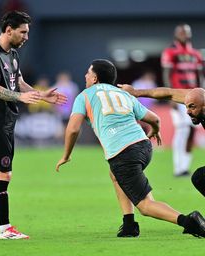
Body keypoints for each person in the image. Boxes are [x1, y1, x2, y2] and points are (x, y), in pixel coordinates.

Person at [56, 59, 205, 238]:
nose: (85, 75)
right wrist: (154, 129)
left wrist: (66, 154)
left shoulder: (84, 95)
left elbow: (73, 128)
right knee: (116, 174)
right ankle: (129, 224)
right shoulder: (123, 94)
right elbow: (157, 115)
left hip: (123, 152)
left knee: (145, 205)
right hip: (143, 146)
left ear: (95, 78)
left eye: (88, 72)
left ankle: (189, 221)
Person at [0, 10, 67, 240]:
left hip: (2, 122)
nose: (26, 37)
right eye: (23, 32)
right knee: (3, 173)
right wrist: (20, 98)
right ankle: (5, 229)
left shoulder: (12, 55)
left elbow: (17, 82)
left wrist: (40, 95)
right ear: (9, 30)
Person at [119, 84, 205, 199]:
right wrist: (136, 92)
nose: (187, 112)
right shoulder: (197, 97)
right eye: (187, 106)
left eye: (192, 107)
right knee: (200, 177)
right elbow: (169, 93)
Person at [161, 24, 203, 177]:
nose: (184, 35)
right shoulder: (170, 51)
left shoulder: (195, 54)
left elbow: (200, 77)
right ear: (176, 34)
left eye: (186, 32)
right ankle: (178, 167)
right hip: (179, 96)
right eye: (181, 32)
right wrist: (169, 95)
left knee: (191, 130)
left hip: (194, 96)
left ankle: (185, 166)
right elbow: (167, 73)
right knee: (183, 129)